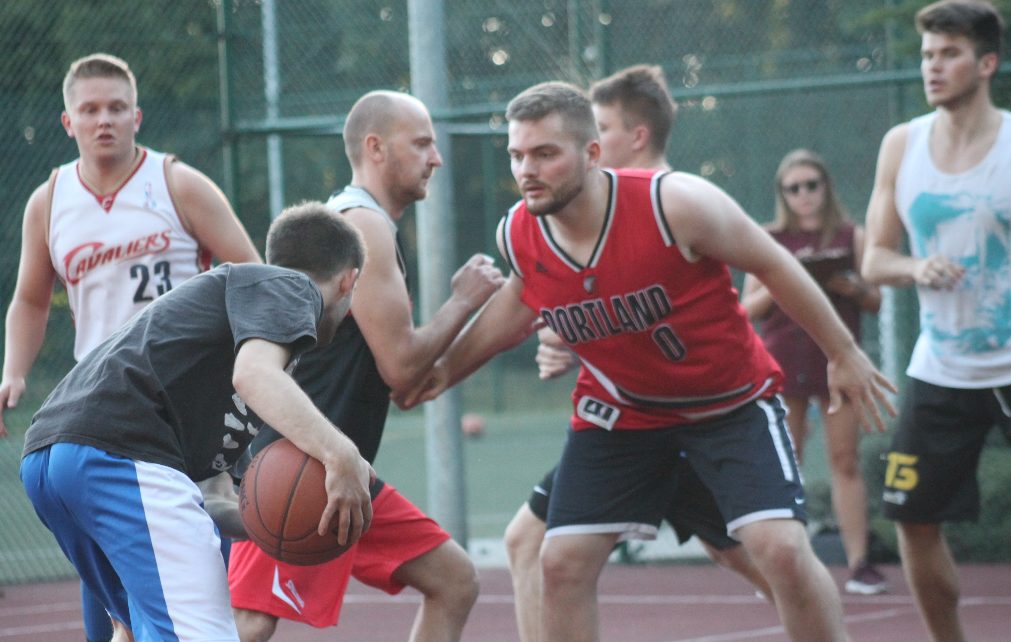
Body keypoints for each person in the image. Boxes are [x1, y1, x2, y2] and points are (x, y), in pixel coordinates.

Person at [399, 81, 897, 641]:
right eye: (517, 155)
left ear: (591, 154)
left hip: (729, 406)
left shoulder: (673, 202)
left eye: (544, 153)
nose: (526, 169)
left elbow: (776, 263)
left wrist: (844, 352)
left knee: (777, 551)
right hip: (625, 414)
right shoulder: (520, 231)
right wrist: (444, 372)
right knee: (559, 561)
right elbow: (516, 305)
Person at [17, 201, 375, 642]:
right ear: (348, 281)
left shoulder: (227, 339)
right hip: (120, 451)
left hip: (53, 459)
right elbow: (255, 375)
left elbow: (213, 500)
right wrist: (342, 454)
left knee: (132, 632)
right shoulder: (291, 288)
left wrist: (277, 527)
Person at [503, 64, 773, 642]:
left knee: (760, 555)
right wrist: (566, 335)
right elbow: (590, 300)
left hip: (693, 414)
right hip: (630, 420)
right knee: (535, 544)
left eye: (597, 125)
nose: (538, 163)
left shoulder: (670, 203)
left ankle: (819, 618)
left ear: (628, 138)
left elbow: (667, 314)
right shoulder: (572, 219)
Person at [0, 52, 261, 642]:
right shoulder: (49, 201)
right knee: (113, 615)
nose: (104, 120)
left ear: (137, 115)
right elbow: (31, 299)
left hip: (177, 414)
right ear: (68, 122)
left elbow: (253, 278)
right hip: (98, 411)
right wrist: (13, 370)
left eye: (116, 108)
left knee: (184, 603)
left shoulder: (177, 184)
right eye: (89, 110)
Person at [228, 90, 503, 642]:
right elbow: (402, 368)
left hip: (346, 470)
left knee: (454, 580)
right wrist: (465, 301)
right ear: (375, 148)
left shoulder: (361, 225)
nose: (436, 157)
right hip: (301, 467)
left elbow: (402, 384)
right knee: (250, 623)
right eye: (422, 142)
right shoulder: (364, 228)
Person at [861, 1, 1009, 639]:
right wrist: (915, 269)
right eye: (926, 54)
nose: (933, 66)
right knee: (912, 519)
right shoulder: (902, 144)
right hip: (940, 371)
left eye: (948, 53)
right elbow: (875, 258)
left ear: (986, 63)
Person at [741, 149, 887, 595]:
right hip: (783, 361)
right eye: (794, 187)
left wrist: (852, 286)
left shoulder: (850, 234)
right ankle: (785, 562)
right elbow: (745, 309)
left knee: (845, 461)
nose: (803, 195)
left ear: (826, 187)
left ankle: (859, 562)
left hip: (839, 363)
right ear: (783, 194)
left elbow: (876, 300)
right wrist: (784, 279)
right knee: (788, 464)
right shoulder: (766, 237)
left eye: (811, 185)